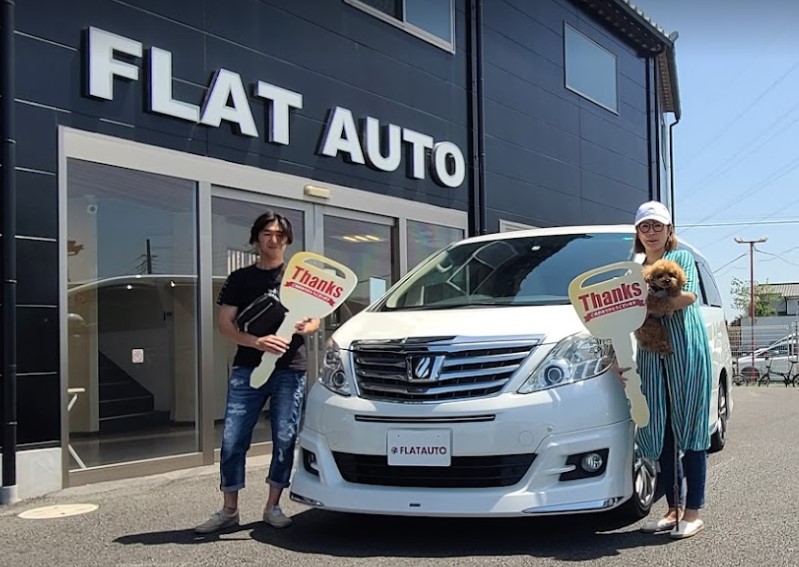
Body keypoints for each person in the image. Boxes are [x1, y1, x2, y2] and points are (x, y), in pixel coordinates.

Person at [195, 211, 320, 534]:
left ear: (288, 240)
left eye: (280, 235)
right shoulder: (240, 279)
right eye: (267, 233)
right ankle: (229, 509)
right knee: (233, 438)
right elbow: (225, 325)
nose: (274, 240)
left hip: (290, 369)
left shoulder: (298, 276)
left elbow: (315, 318)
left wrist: (306, 325)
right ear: (256, 238)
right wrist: (256, 341)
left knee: (285, 437)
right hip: (247, 368)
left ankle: (273, 506)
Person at [630, 201, 713, 540]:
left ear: (669, 230)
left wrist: (647, 305)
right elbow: (619, 312)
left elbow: (686, 297)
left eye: (657, 226)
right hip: (651, 355)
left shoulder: (680, 258)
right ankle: (673, 509)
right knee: (662, 429)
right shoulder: (633, 267)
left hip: (685, 351)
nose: (651, 232)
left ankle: (693, 511)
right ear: (637, 232)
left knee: (690, 428)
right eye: (645, 226)